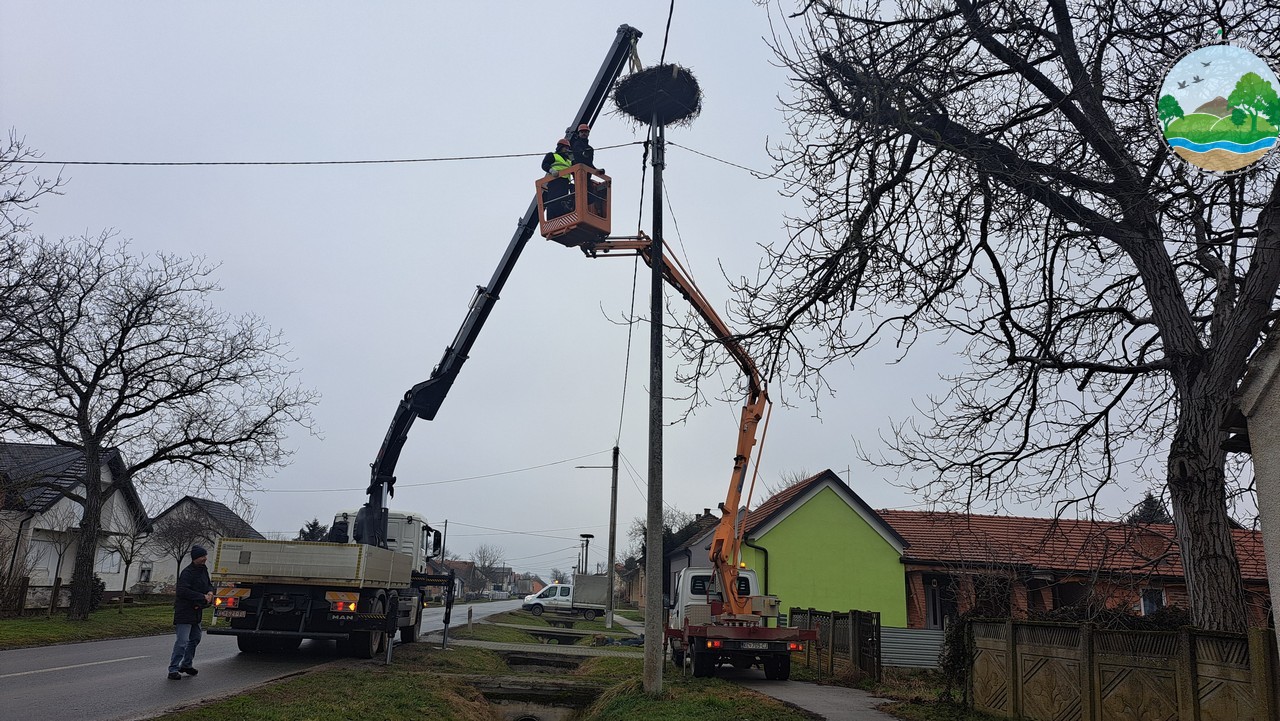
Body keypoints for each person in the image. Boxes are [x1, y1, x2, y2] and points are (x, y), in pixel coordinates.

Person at [168, 544, 213, 680]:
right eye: (202, 556)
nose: (205, 558)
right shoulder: (187, 573)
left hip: (197, 611)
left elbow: (208, 584)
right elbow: (182, 591)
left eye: (205, 556)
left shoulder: (203, 570)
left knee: (195, 638)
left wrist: (210, 592)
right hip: (184, 611)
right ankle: (173, 669)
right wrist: (202, 596)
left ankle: (187, 664)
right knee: (182, 642)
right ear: (195, 558)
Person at [541, 137, 575, 218]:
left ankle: (561, 216)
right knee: (554, 201)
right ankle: (552, 217)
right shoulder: (553, 155)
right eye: (565, 148)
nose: (567, 150)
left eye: (568, 148)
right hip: (555, 182)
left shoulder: (569, 161)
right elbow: (544, 164)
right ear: (560, 147)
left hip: (565, 183)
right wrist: (551, 170)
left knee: (563, 201)